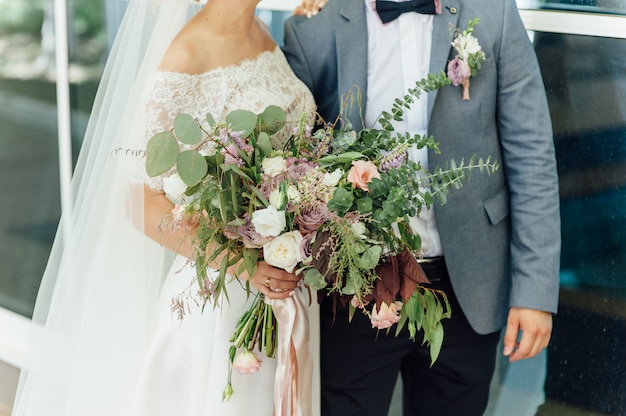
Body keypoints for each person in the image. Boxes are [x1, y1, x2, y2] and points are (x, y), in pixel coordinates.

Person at [12, 0, 320, 415]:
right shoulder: (185, 56)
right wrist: (243, 265)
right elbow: (139, 201)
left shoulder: (262, 33)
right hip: (222, 293)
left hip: (283, 280)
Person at [283, 0, 561, 415]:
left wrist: (534, 291)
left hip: (466, 285)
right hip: (355, 287)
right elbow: (296, 165)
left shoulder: (494, 12)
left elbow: (532, 154)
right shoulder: (314, 28)